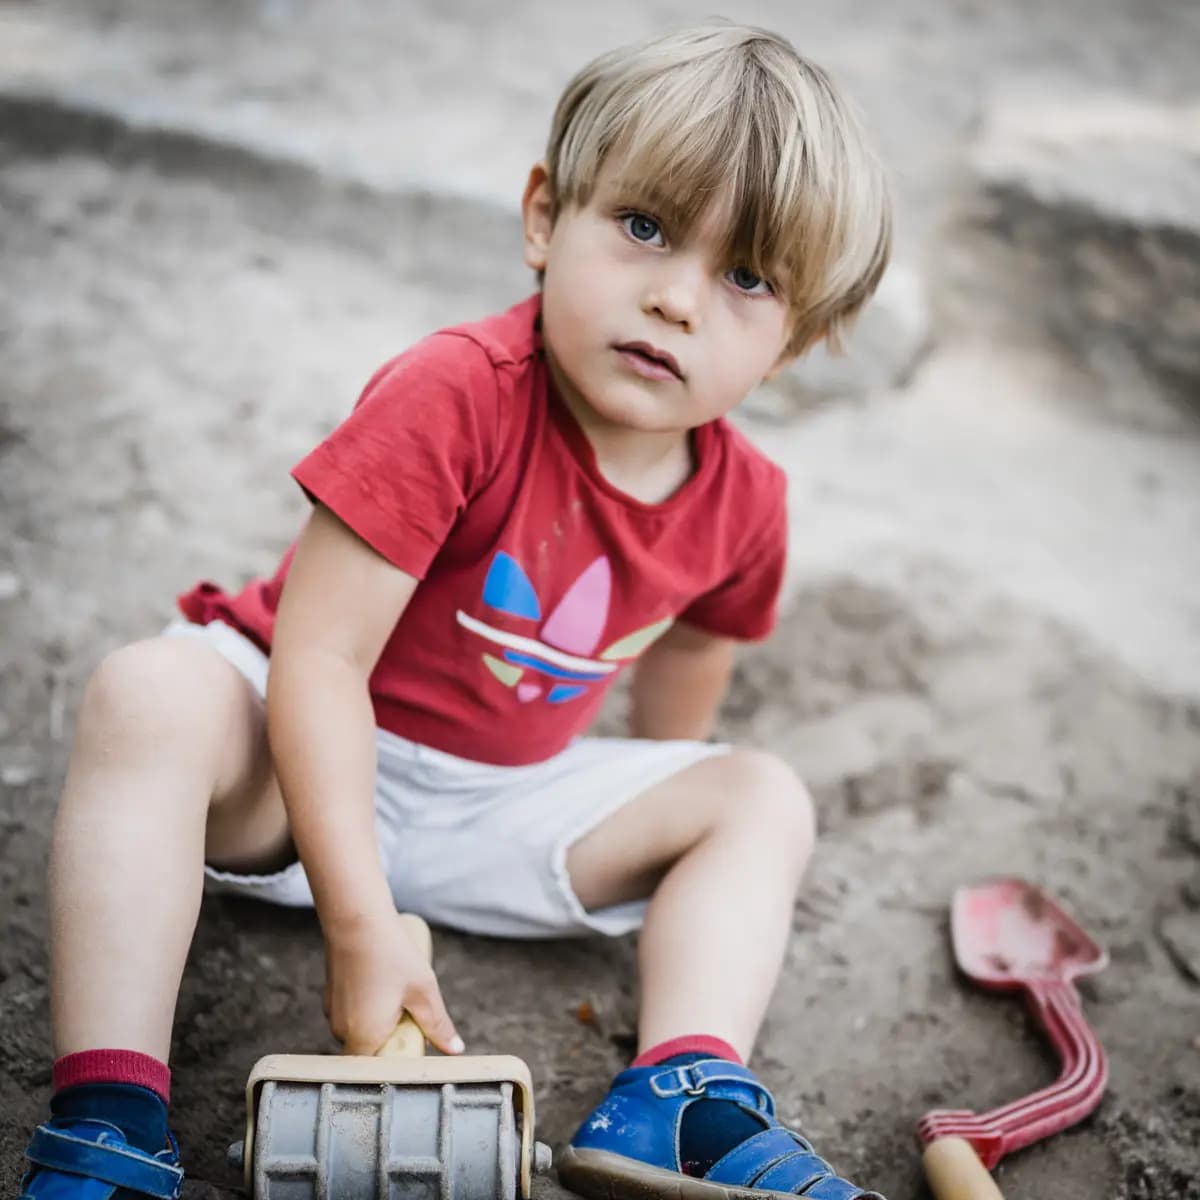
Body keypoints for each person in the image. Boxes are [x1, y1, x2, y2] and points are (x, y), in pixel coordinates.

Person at [18, 20, 891, 1200]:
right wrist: (361, 922)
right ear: (545, 218)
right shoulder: (457, 394)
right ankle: (112, 1114)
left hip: (500, 802)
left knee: (760, 796)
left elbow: (692, 653)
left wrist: (657, 797)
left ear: (797, 341)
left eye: (747, 279)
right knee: (149, 692)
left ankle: (683, 1094)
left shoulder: (748, 503)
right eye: (644, 227)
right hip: (296, 759)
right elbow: (321, 660)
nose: (676, 298)